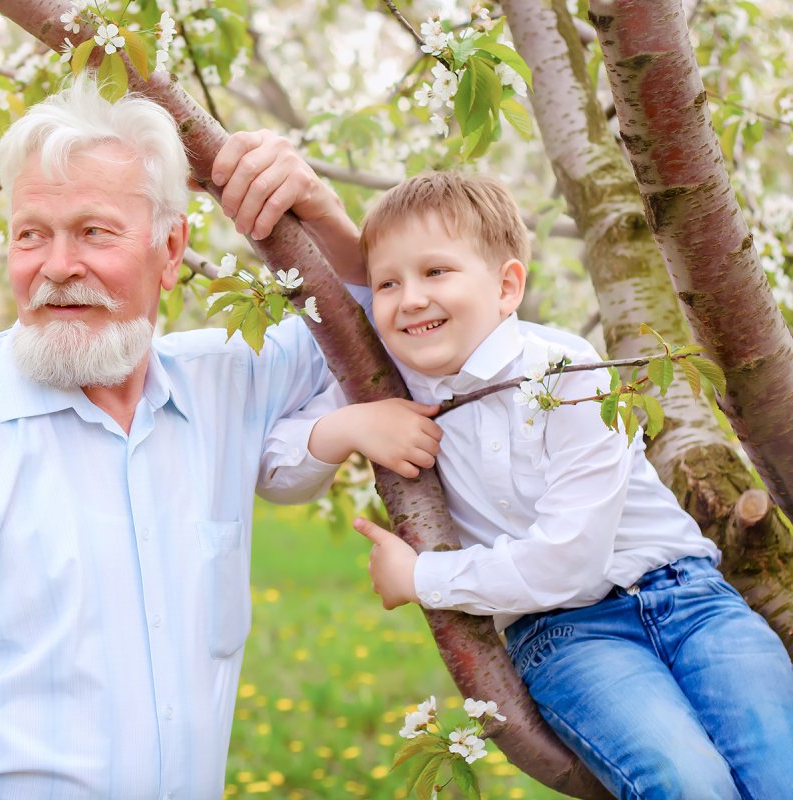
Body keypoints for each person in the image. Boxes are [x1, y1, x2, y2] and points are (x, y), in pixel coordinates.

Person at [0, 84, 440, 798]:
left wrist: (325, 214)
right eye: (31, 235)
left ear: (169, 251)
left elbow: (377, 329)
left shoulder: (224, 385)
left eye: (93, 232)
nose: (56, 267)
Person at [287, 170, 793, 798]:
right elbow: (276, 468)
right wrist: (347, 425)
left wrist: (422, 579)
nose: (409, 299)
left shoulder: (567, 371)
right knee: (685, 780)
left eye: (435, 272)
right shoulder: (384, 388)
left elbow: (570, 561)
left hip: (691, 600)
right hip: (570, 637)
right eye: (387, 282)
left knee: (779, 768)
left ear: (506, 287)